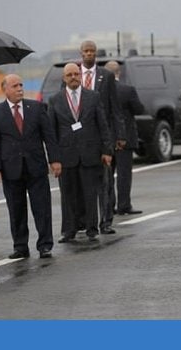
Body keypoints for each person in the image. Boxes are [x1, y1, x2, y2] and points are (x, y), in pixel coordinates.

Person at [0, 74, 62, 259]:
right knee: (16, 209)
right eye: (15, 86)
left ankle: (45, 245)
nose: (20, 88)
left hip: (36, 166)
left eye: (21, 85)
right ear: (5, 89)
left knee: (42, 208)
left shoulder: (36, 108)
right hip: (11, 169)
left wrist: (55, 160)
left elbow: (49, 136)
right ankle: (20, 246)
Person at [48, 63, 113, 243]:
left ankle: (92, 228)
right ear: (64, 78)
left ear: (81, 76)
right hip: (66, 156)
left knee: (90, 193)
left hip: (90, 153)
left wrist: (107, 150)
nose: (73, 77)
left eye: (76, 74)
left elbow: (103, 125)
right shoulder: (55, 100)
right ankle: (69, 230)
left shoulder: (93, 97)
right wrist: (54, 159)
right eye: (69, 75)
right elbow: (51, 133)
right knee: (68, 194)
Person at [78, 40, 125, 235]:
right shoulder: (73, 75)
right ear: (81, 53)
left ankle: (106, 221)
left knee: (105, 182)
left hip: (103, 137)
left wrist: (119, 135)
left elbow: (115, 108)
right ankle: (83, 222)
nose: (89, 54)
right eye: (86, 51)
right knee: (82, 184)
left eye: (92, 51)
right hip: (80, 139)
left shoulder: (105, 76)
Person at [104, 60, 145, 215]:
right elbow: (139, 109)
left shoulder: (99, 92)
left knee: (108, 175)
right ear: (118, 73)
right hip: (125, 138)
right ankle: (124, 205)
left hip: (107, 138)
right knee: (124, 174)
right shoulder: (127, 90)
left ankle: (109, 205)